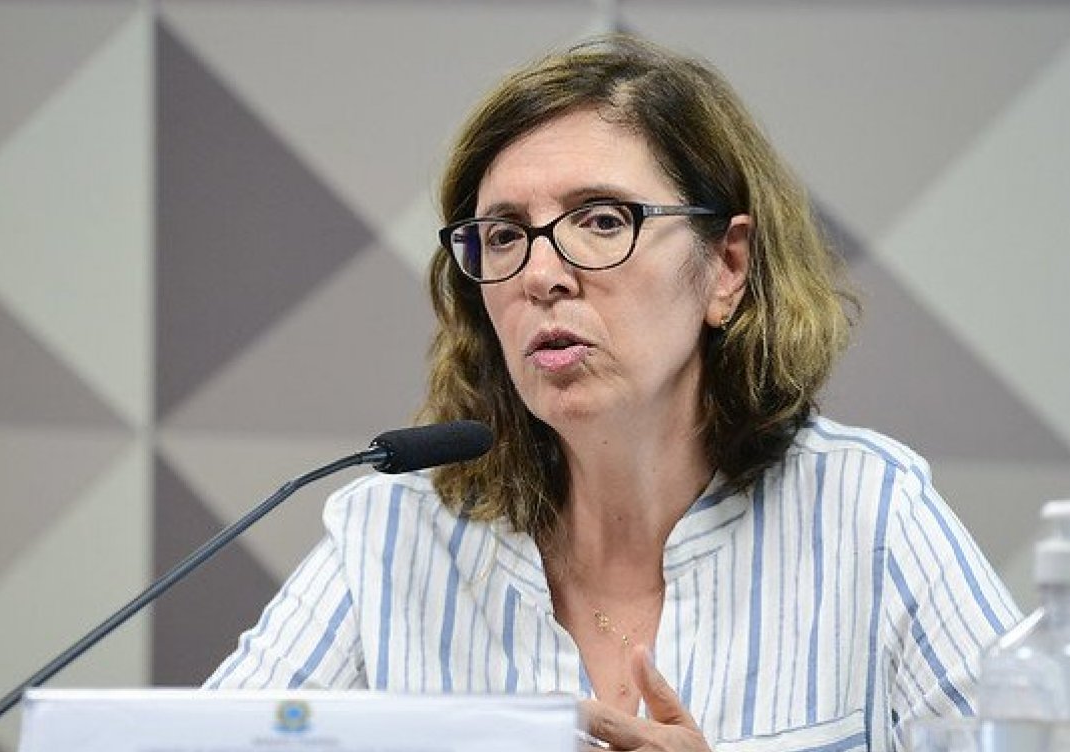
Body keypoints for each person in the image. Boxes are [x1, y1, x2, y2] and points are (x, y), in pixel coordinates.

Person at [206, 35, 1019, 751]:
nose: (541, 275)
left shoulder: (868, 515)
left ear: (726, 266)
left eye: (600, 220)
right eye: (504, 235)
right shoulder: (391, 541)